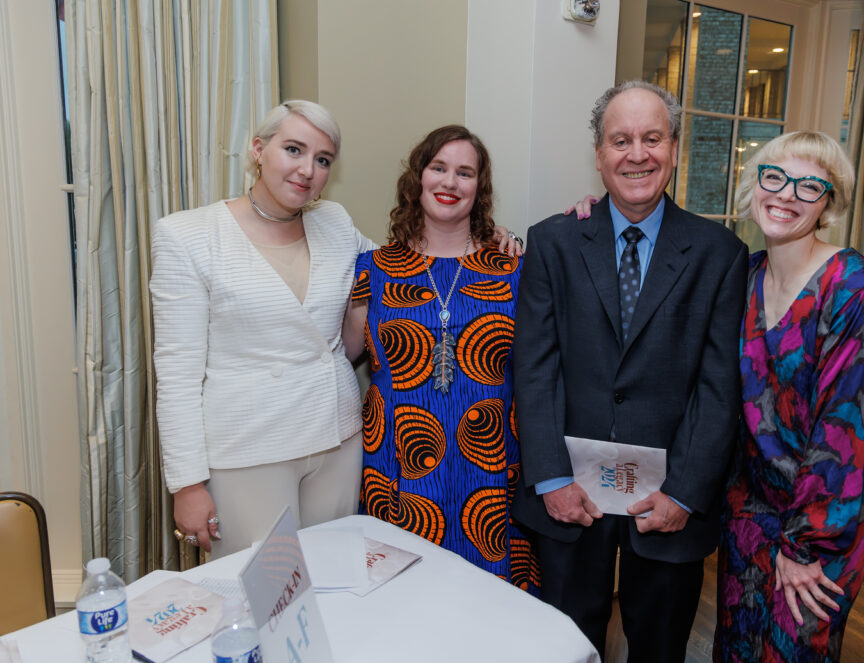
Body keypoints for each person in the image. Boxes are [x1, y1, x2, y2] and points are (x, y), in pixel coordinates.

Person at [152, 103, 520, 558]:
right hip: (250, 449)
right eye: (293, 149)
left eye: (323, 159)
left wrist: (494, 237)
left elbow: (412, 264)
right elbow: (176, 375)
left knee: (343, 585)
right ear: (258, 150)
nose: (307, 169)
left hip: (339, 443)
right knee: (269, 598)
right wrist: (187, 484)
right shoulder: (188, 235)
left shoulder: (334, 223)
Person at [513, 80, 748, 661]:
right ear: (598, 154)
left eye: (651, 138)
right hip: (570, 499)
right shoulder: (553, 242)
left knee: (661, 648)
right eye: (620, 140)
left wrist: (686, 494)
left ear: (674, 147)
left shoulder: (721, 254)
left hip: (668, 505)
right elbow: (535, 368)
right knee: (564, 646)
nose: (636, 154)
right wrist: (550, 480)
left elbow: (719, 388)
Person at [713, 131, 864, 662]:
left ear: (828, 204)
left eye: (809, 185)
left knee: (794, 651)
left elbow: (845, 427)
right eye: (775, 178)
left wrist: (803, 547)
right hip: (748, 509)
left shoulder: (851, 287)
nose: (786, 195)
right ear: (754, 188)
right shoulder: (744, 277)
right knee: (737, 647)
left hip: (820, 521)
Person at [342, 125, 539, 593]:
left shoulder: (514, 268)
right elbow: (343, 355)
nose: (450, 182)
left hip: (489, 467)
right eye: (439, 168)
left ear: (479, 188)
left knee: (489, 606)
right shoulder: (373, 268)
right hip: (400, 467)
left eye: (465, 173)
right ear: (418, 178)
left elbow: (539, 372)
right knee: (404, 598)